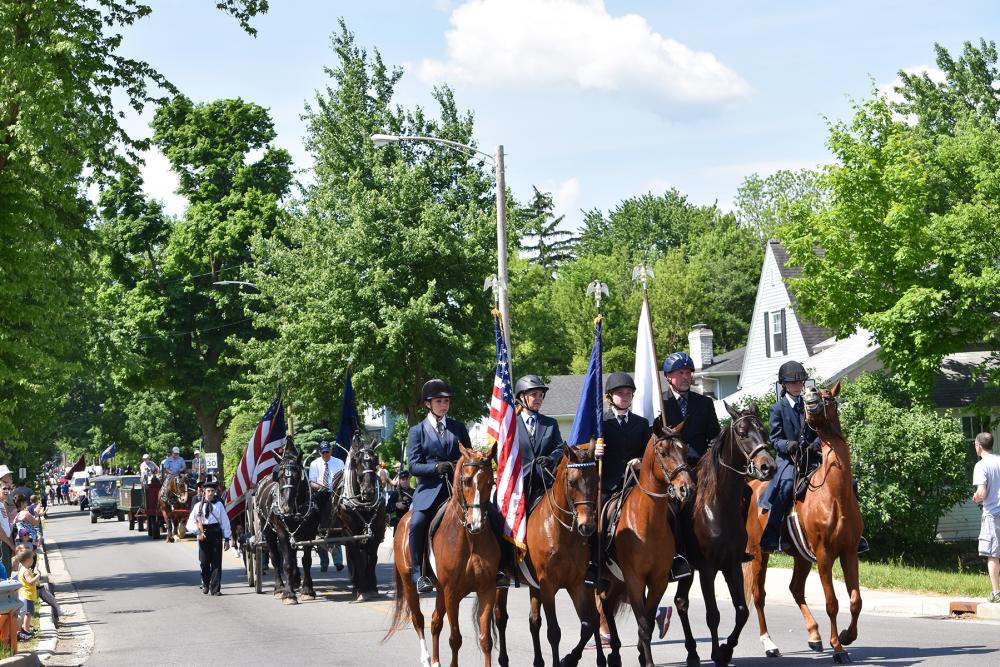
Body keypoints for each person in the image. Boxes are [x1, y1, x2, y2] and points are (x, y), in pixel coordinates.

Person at [407, 378, 514, 594]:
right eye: (439, 401)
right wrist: (436, 467)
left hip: (461, 489)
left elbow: (470, 455)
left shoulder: (458, 427)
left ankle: (502, 569)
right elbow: (414, 465)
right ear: (428, 404)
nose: (444, 405)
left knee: (496, 517)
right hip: (430, 490)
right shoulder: (417, 431)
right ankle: (419, 574)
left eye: (446, 401)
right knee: (417, 523)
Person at [586, 372, 650, 588]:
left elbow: (650, 453)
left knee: (666, 510)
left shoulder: (641, 424)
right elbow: (585, 449)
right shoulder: (600, 421)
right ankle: (594, 562)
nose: (625, 396)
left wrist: (640, 460)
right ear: (609, 396)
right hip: (608, 482)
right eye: (620, 393)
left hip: (635, 483)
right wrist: (595, 450)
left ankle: (676, 556)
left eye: (628, 393)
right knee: (595, 515)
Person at [661, 351, 721, 578]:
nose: (685, 377)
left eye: (688, 373)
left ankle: (737, 545)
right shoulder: (661, 404)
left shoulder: (704, 403)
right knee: (673, 508)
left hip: (702, 466)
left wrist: (710, 458)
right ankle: (678, 555)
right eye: (680, 373)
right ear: (668, 377)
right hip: (672, 469)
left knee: (740, 493)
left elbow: (714, 436)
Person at [760, 360, 818, 553]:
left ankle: (855, 534)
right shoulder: (777, 408)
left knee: (846, 480)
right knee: (785, 488)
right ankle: (771, 535)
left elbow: (819, 430)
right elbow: (774, 439)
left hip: (811, 457)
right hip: (789, 459)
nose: (797, 386)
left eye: (800, 382)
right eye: (793, 383)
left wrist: (816, 444)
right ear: (784, 385)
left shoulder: (811, 405)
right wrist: (788, 445)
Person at [514, 375, 564, 507]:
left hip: (545, 483)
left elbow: (559, 449)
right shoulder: (510, 425)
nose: (538, 399)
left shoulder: (551, 423)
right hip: (518, 485)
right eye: (534, 394)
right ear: (521, 397)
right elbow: (500, 454)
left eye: (541, 395)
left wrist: (551, 459)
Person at [186, 481, 231, 595]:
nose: (210, 493)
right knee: (204, 562)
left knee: (216, 563)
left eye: (212, 491)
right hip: (203, 535)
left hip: (216, 534)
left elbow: (225, 522)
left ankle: (215, 589)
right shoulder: (198, 506)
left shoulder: (219, 505)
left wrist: (227, 539)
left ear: (215, 492)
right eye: (208, 491)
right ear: (204, 492)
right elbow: (190, 523)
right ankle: (205, 583)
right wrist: (198, 532)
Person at [973, 432, 1000, 603]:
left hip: (993, 514)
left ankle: (996, 592)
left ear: (979, 446)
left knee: (993, 554)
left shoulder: (981, 465)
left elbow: (982, 492)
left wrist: (976, 497)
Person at [13, 545, 39, 641]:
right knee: (28, 614)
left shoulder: (22, 569)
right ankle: (26, 629)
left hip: (25, 594)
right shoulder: (26, 571)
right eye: (32, 558)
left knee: (27, 613)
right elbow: (31, 581)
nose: (33, 559)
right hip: (27, 595)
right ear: (28, 560)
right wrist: (38, 575)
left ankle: (25, 629)